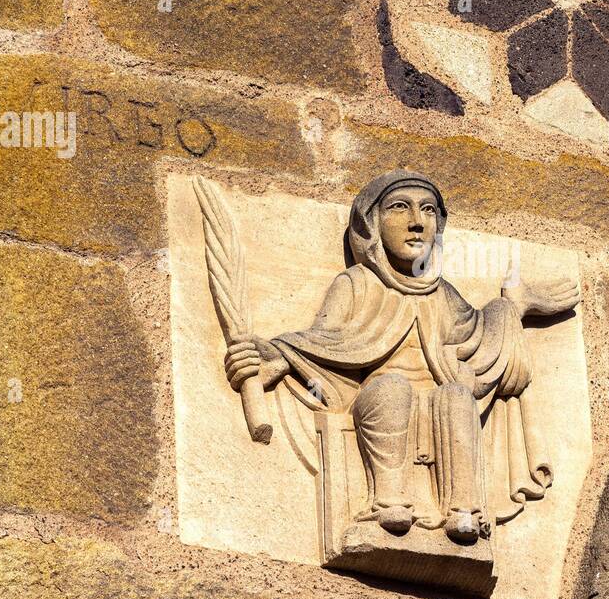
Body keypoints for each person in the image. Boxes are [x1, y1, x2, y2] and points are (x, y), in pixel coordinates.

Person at [223, 170, 579, 544]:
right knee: (390, 387)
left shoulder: (443, 295)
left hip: (440, 405)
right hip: (381, 401)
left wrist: (513, 307)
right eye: (399, 208)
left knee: (458, 396)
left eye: (428, 211)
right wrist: (275, 356)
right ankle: (387, 500)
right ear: (371, 225)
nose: (416, 223)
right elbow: (323, 344)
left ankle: (464, 510)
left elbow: (480, 340)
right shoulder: (356, 284)